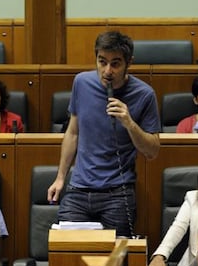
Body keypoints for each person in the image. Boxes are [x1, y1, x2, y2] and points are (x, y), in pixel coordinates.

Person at [46, 30, 160, 238]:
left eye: (115, 63)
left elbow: (152, 150)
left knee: (113, 264)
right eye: (102, 62)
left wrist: (129, 123)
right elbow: (72, 133)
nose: (107, 70)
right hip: (78, 189)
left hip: (117, 193)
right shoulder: (81, 82)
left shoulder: (144, 94)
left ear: (129, 63)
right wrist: (60, 177)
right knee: (67, 255)